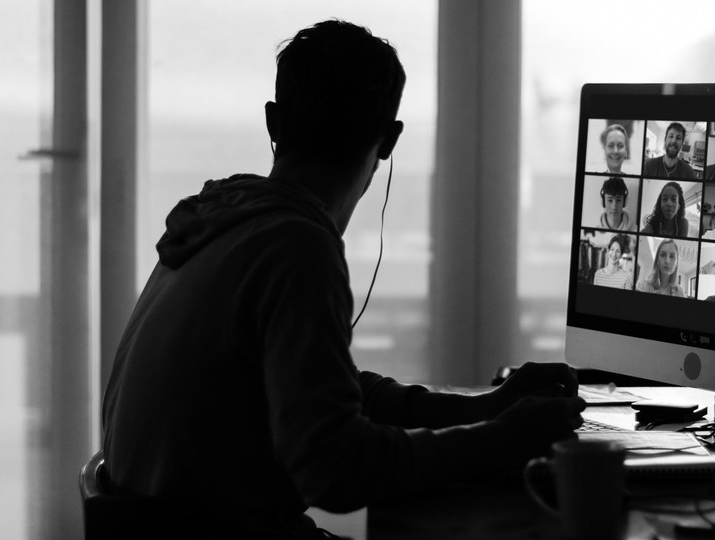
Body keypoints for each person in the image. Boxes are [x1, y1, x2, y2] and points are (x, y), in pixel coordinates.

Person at [102, 20, 583, 539]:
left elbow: (322, 391)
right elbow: (336, 470)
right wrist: (499, 441)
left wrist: (486, 408)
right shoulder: (294, 247)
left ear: (273, 122)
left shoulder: (218, 222)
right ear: (389, 140)